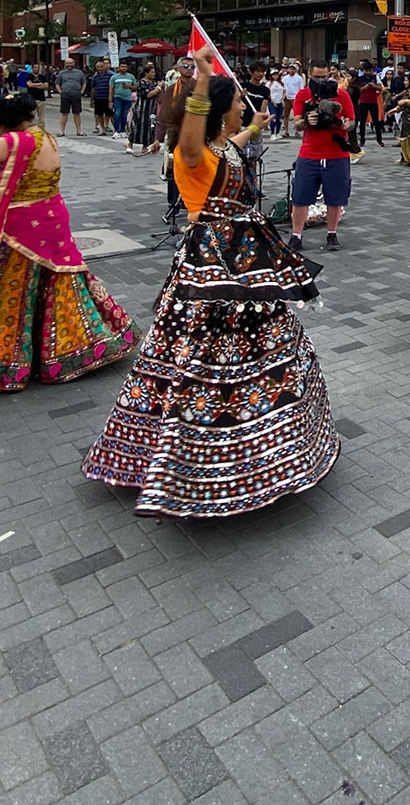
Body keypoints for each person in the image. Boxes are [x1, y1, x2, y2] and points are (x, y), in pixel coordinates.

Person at [83, 44, 338, 517]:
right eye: (238, 102)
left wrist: (256, 127)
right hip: (213, 259)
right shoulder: (193, 151)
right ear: (219, 109)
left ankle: (265, 437)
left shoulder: (224, 148)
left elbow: (236, 149)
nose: (244, 105)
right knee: (207, 346)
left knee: (260, 341)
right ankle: (199, 452)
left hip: (245, 257)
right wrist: (202, 78)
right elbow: (196, 139)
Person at [0, 93, 138, 397]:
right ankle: (74, 345)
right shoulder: (44, 136)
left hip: (23, 228)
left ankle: (8, 359)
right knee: (57, 282)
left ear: (2, 125)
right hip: (50, 219)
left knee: (11, 288)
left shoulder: (16, 142)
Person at [289, 62, 356, 252]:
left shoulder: (342, 95)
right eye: (317, 77)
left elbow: (352, 122)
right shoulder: (303, 95)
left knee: (335, 198)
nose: (322, 81)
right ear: (309, 76)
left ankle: (332, 234)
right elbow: (297, 123)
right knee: (300, 197)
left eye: (325, 77)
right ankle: (296, 236)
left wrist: (345, 125)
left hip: (336, 154)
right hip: (309, 153)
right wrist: (307, 121)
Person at [55, 59, 87, 136]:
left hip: (76, 95)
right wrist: (60, 92)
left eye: (71, 63)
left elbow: (84, 83)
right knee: (64, 113)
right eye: (67, 63)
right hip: (65, 95)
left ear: (74, 63)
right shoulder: (62, 73)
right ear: (65, 64)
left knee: (77, 113)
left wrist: (81, 92)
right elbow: (57, 83)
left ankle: (79, 131)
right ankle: (62, 131)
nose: (69, 64)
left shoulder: (79, 73)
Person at [280, 62, 308, 138]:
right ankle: (286, 131)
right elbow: (283, 88)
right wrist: (283, 97)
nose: (291, 70)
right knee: (286, 115)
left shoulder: (299, 78)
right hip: (287, 97)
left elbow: (301, 88)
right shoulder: (285, 78)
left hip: (295, 98)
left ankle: (297, 131)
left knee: (297, 115)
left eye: (293, 69)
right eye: (290, 69)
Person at [111, 63, 136, 135]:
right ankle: (116, 130)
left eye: (125, 67)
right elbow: (111, 89)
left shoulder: (131, 77)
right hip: (117, 97)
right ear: (119, 68)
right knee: (117, 113)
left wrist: (128, 87)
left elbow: (135, 87)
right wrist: (110, 100)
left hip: (127, 98)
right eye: (122, 67)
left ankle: (122, 130)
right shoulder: (114, 77)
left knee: (124, 115)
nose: (124, 68)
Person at [90, 62, 115, 135]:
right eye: (98, 67)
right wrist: (92, 99)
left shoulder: (111, 75)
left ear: (104, 67)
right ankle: (103, 130)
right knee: (99, 114)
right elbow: (93, 87)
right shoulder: (95, 76)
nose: (100, 68)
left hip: (108, 98)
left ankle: (117, 130)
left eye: (101, 67)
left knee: (111, 115)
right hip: (98, 97)